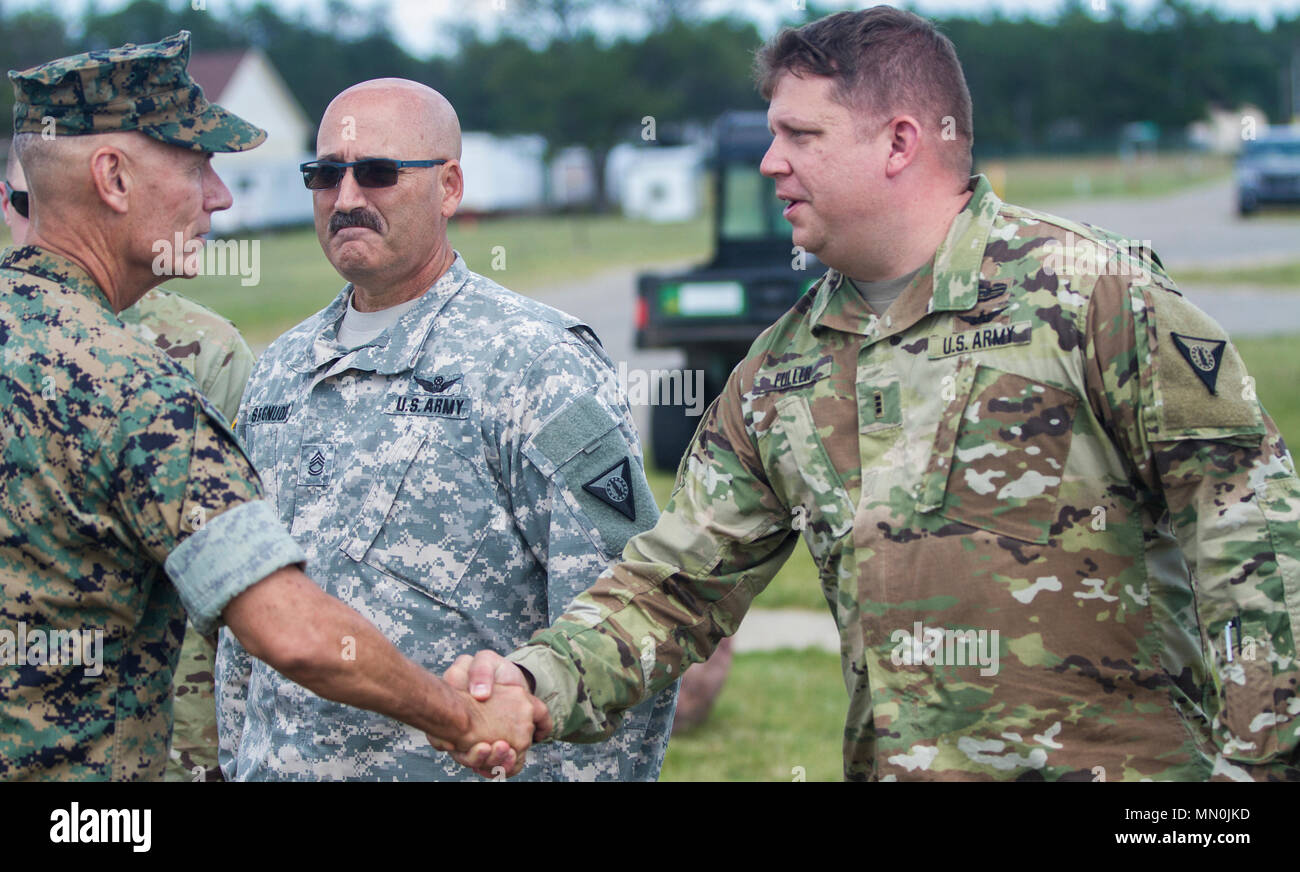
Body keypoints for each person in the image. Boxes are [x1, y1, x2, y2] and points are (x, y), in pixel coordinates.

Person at [449, 6, 1300, 781]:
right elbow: (675, 587)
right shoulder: (781, 372)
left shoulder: (1093, 298)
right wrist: (534, 682)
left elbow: (1253, 542)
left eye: (800, 134)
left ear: (899, 143)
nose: (768, 160)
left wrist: (1255, 776)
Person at [0, 31, 542, 781]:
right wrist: (460, 720)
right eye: (197, 168)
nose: (220, 197)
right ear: (113, 179)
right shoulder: (130, 388)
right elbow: (290, 631)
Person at [214, 77, 677, 782]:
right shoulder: (280, 372)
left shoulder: (534, 364)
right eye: (324, 176)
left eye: (377, 173)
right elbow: (241, 633)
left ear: (450, 186)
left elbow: (626, 619)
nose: (346, 200)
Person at [3, 151, 247, 783]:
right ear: (7, 202)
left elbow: (241, 575)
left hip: (169, 723)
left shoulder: (202, 349)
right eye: (28, 206)